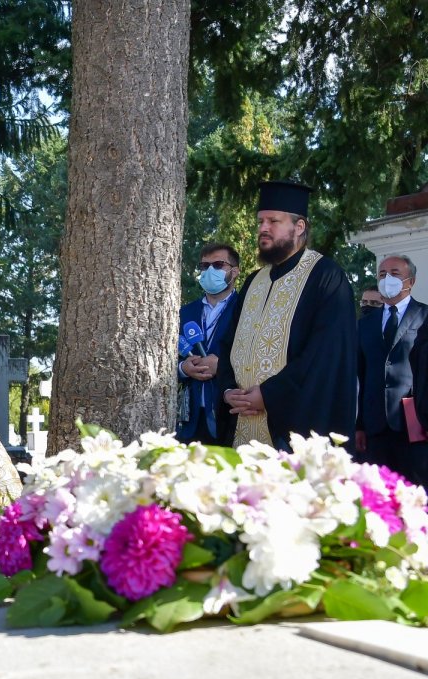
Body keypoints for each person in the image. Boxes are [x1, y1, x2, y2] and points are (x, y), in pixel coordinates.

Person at [217, 180, 357, 450]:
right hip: (241, 424)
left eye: (273, 221)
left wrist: (268, 395)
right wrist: (227, 391)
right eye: (260, 222)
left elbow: (325, 356)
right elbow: (228, 343)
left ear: (299, 226)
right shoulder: (254, 281)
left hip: (292, 429)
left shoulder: (325, 277)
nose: (263, 229)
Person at [356, 255, 427, 484]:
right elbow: (359, 374)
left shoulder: (425, 317)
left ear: (411, 281)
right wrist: (359, 425)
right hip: (374, 425)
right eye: (382, 274)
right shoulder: (365, 323)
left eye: (395, 274)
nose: (387, 279)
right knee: (378, 492)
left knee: (416, 493)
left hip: (415, 424)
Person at [176, 243, 241, 444]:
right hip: (189, 420)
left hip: (228, 418)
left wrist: (221, 366)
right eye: (204, 266)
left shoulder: (246, 310)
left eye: (218, 264)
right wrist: (183, 368)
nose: (209, 271)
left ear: (235, 271)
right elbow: (165, 358)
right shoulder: (183, 313)